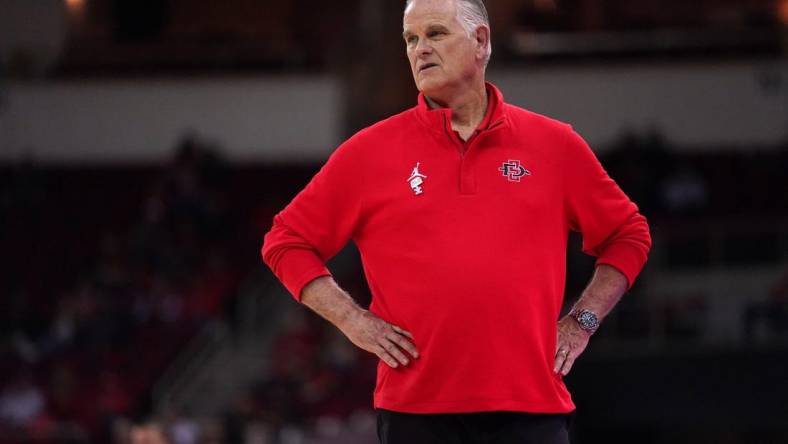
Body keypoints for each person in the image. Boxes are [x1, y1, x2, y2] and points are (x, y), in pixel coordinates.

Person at [262, 0, 652, 442]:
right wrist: (353, 320)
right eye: (411, 39)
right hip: (416, 412)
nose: (419, 49)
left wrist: (581, 322)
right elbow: (285, 240)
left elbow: (628, 234)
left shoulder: (554, 144)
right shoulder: (368, 152)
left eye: (435, 34)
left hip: (531, 407)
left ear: (481, 41)